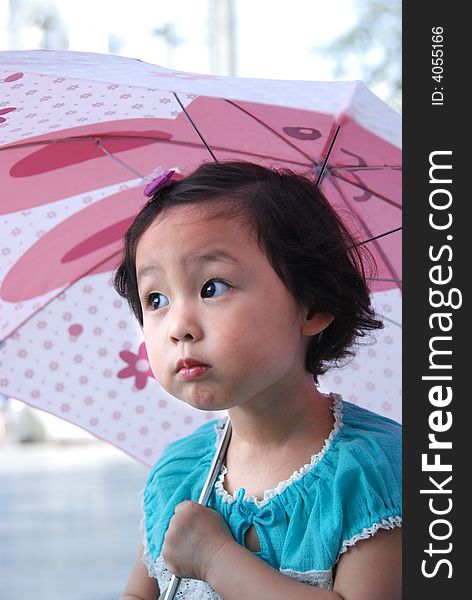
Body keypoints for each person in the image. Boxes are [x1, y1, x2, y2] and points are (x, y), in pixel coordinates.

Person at [115, 161, 402, 600]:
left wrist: (216, 559)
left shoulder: (369, 473)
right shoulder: (182, 472)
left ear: (311, 307)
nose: (178, 326)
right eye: (156, 298)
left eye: (212, 287)